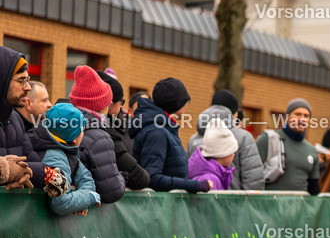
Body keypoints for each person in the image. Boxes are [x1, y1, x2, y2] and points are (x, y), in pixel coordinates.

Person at [131, 78, 211, 193]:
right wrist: (193, 185)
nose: (187, 105)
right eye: (185, 101)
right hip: (158, 208)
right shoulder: (157, 132)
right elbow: (152, 178)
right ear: (176, 104)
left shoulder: (165, 128)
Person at [69, 66, 125, 204]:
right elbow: (112, 191)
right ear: (101, 103)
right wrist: (122, 177)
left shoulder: (58, 124)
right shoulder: (99, 136)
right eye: (108, 101)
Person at [187, 91, 265, 191]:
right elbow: (254, 180)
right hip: (235, 203)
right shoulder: (243, 137)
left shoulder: (193, 139)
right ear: (235, 113)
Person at [32, 103, 101, 215]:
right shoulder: (56, 158)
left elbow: (85, 177)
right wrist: (88, 198)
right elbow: (59, 203)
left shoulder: (67, 150)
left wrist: (81, 201)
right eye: (82, 131)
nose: (83, 134)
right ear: (74, 138)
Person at [0, 46, 45, 190]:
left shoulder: (16, 120)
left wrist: (22, 172)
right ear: (3, 81)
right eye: (21, 81)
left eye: (28, 80)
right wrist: (8, 170)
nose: (28, 87)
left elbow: (43, 168)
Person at [257, 98, 321, 195]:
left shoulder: (311, 150)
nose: (302, 119)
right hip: (270, 207)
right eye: (298, 114)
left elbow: (314, 189)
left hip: (299, 208)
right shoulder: (269, 139)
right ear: (287, 117)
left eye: (306, 116)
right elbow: (251, 175)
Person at [187, 118, 238, 190]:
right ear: (223, 154)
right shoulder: (211, 179)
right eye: (232, 151)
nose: (233, 154)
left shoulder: (214, 174)